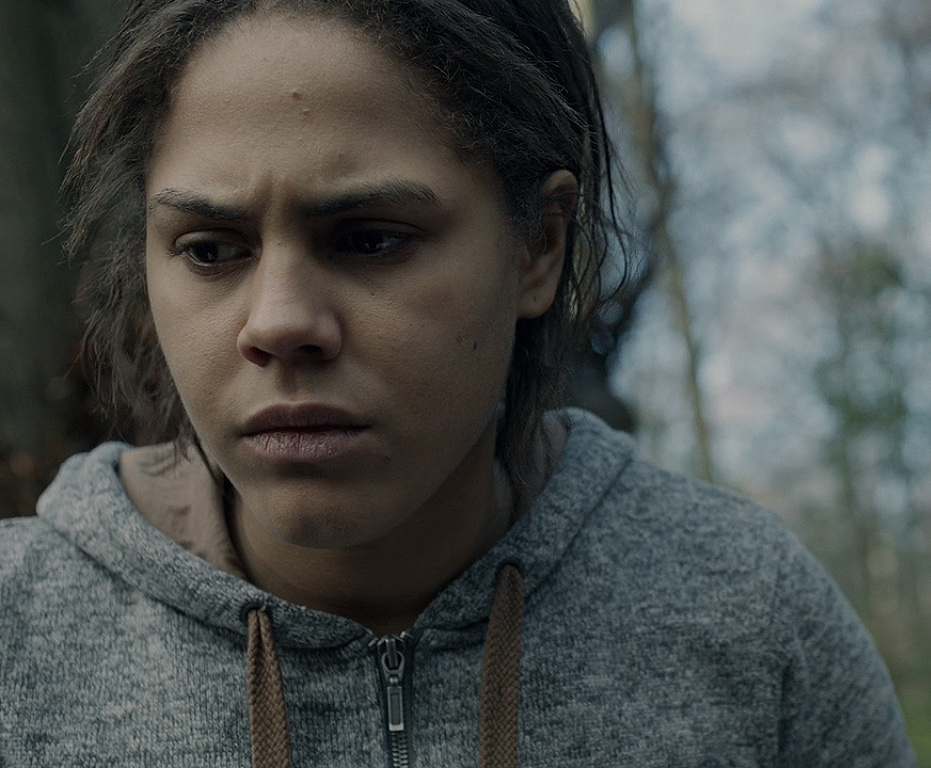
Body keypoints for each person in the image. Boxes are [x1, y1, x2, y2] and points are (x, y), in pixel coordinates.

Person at [0, 1, 916, 765]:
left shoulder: (750, 617)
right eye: (209, 250)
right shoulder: (19, 632)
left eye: (369, 238)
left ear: (538, 247)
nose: (276, 323)